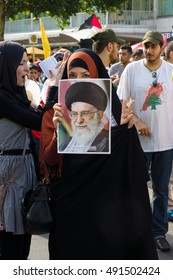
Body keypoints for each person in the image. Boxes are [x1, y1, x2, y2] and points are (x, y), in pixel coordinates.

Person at [39, 48, 158, 260]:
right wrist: (61, 133)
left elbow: (125, 161)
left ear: (97, 75)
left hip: (106, 207)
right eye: (72, 75)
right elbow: (49, 160)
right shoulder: (55, 110)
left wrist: (123, 131)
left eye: (86, 76)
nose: (78, 81)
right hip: (69, 206)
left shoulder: (114, 109)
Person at [117, 30, 173, 252]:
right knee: (135, 188)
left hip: (166, 142)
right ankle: (135, 232)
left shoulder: (170, 72)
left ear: (161, 47)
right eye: (146, 46)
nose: (149, 51)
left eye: (153, 46)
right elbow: (121, 102)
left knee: (160, 190)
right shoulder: (131, 69)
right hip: (137, 143)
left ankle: (158, 232)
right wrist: (138, 121)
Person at [0, 41, 42, 259]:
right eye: (22, 62)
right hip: (9, 180)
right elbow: (37, 122)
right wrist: (54, 86)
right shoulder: (2, 98)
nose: (28, 68)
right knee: (10, 245)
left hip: (24, 175)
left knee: (23, 241)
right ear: (6, 65)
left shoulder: (18, 94)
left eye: (27, 62)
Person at [59, 81, 109, 153]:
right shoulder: (65, 144)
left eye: (85, 113)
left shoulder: (109, 142)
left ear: (99, 115)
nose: (79, 120)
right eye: (75, 114)